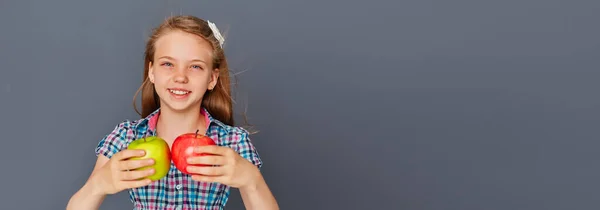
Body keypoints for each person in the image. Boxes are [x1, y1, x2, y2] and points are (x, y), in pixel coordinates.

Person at [66, 15, 279, 210]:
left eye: (195, 67)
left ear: (212, 79)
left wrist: (252, 180)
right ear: (151, 71)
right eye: (168, 64)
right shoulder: (126, 137)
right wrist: (99, 185)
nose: (180, 77)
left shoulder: (232, 141)